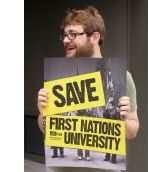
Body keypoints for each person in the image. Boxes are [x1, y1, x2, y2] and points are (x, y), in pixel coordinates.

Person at [37, 6, 139, 172]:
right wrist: (42, 113)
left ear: (95, 37)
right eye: (64, 35)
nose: (65, 40)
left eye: (73, 34)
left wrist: (123, 120)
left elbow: (133, 130)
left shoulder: (121, 76)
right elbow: (44, 127)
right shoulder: (58, 76)